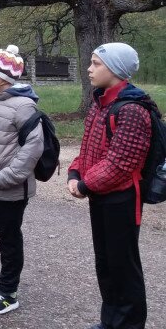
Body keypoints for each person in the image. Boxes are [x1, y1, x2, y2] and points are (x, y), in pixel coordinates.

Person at [68, 43, 152, 329]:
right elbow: (89, 147)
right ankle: (111, 321)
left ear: (116, 69)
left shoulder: (131, 109)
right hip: (100, 195)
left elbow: (121, 163)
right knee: (105, 262)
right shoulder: (100, 101)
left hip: (122, 199)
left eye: (96, 63)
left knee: (123, 266)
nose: (89, 69)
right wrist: (75, 170)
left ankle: (128, 324)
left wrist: (85, 184)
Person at [0, 45, 44, 315]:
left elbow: (32, 149)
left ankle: (8, 292)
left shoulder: (23, 106)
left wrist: (4, 178)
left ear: (3, 78)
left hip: (10, 189)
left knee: (9, 239)